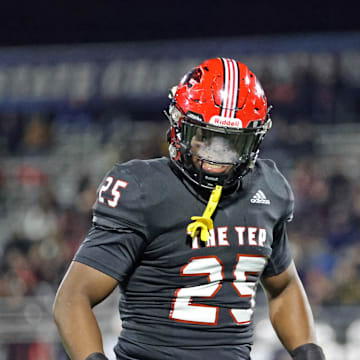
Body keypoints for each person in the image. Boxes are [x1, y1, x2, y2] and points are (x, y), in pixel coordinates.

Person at [53, 58, 326, 360]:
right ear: (179, 126)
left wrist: (308, 351)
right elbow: (73, 298)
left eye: (232, 142)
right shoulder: (144, 189)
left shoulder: (267, 189)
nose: (216, 158)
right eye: (206, 138)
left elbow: (284, 287)